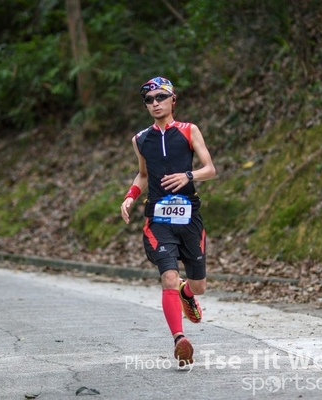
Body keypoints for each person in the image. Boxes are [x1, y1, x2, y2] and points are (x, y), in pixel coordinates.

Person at [120, 77, 216, 367]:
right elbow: (143, 175)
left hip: (189, 217)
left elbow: (210, 169)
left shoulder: (189, 130)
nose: (155, 103)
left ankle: (187, 294)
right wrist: (130, 196)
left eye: (160, 97)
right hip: (158, 219)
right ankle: (179, 339)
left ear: (173, 100)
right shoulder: (140, 139)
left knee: (198, 286)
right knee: (169, 277)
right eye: (149, 100)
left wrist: (188, 176)